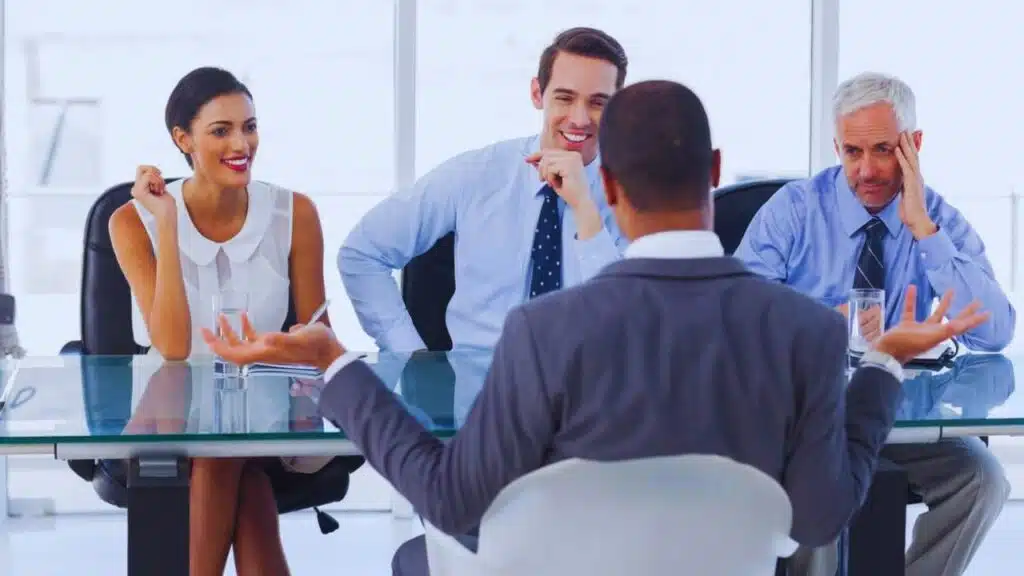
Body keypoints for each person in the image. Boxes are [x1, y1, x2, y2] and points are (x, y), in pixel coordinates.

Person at [202, 80, 991, 576]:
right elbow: (821, 517)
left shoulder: (543, 331)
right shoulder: (804, 333)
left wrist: (337, 363)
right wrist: (881, 368)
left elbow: (450, 499)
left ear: (606, 185)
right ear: (715, 171)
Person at [734, 71, 1014, 576]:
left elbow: (994, 332)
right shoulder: (794, 211)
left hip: (898, 418)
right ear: (837, 146)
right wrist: (827, 323)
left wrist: (923, 232)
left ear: (914, 145)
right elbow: (736, 317)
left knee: (983, 479)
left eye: (883, 150)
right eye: (852, 153)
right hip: (805, 422)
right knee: (817, 483)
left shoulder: (933, 217)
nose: (865, 171)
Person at [109, 66, 337, 576]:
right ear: (182, 139)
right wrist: (168, 223)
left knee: (225, 451)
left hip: (271, 407)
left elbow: (321, 335)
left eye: (250, 126)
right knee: (229, 461)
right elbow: (171, 346)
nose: (242, 143)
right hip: (167, 414)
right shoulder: (131, 222)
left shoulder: (294, 213)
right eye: (221, 130)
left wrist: (290, 349)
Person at [339, 27, 630, 353]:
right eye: (564, 97)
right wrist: (413, 360)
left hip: (591, 393)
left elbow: (627, 322)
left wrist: (583, 206)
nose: (579, 118)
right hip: (481, 391)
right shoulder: (476, 176)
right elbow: (362, 253)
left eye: (597, 103)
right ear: (537, 94)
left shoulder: (638, 196)